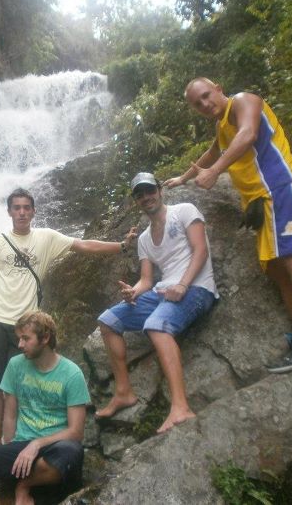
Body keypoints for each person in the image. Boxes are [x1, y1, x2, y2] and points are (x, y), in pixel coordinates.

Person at [165, 77, 292, 373]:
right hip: (260, 202)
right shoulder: (221, 127)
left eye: (207, 95)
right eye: (197, 103)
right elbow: (212, 153)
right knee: (275, 268)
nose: (205, 104)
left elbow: (247, 134)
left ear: (218, 88)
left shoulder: (244, 100)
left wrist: (216, 172)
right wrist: (183, 178)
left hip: (279, 186)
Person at [0, 188, 136, 445]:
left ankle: (14, 440)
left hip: (24, 326)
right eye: (16, 208)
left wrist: (122, 246)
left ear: (34, 211)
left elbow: (83, 246)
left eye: (26, 207)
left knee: (18, 385)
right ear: (9, 212)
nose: (22, 212)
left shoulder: (46, 238)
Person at [95, 172, 218, 432]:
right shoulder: (144, 239)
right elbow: (146, 280)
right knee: (108, 321)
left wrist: (182, 285)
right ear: (135, 201)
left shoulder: (184, 211)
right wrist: (133, 292)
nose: (146, 197)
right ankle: (124, 391)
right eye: (139, 194)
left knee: (156, 325)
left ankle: (180, 407)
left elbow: (201, 250)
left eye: (149, 191)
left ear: (160, 190)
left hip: (197, 288)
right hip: (162, 293)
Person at [0, 311, 90, 505]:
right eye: (19, 339)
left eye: (26, 339)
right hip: (20, 449)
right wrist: (9, 446)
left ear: (45, 338)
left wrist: (36, 444)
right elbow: (10, 415)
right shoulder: (15, 365)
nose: (19, 345)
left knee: (71, 451)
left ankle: (24, 485)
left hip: (54, 451)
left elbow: (76, 432)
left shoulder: (71, 373)